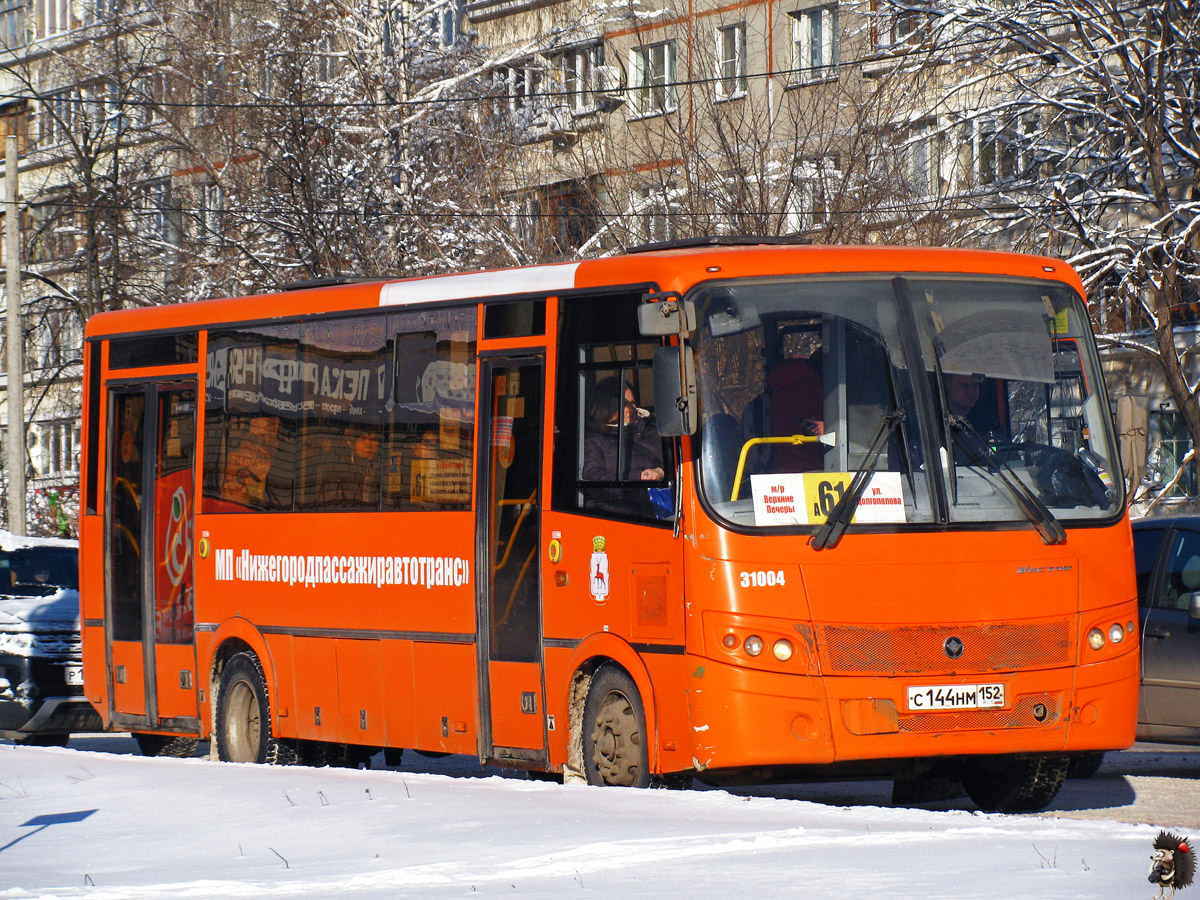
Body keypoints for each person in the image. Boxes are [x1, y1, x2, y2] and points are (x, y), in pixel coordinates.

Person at [582, 376, 665, 513]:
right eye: (622, 405)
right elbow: (593, 477)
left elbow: (677, 460)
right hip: (621, 512)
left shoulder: (652, 427)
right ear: (605, 406)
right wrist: (639, 477)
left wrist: (660, 471)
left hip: (665, 507)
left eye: (632, 403)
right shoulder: (594, 439)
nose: (629, 410)